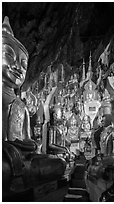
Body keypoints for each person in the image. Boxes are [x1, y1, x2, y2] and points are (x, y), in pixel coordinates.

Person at [2, 16, 66, 200]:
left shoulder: (20, 105)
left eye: (23, 64)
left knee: (58, 164)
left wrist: (26, 145)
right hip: (6, 160)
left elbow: (29, 141)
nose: (17, 68)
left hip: (19, 159)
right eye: (9, 55)